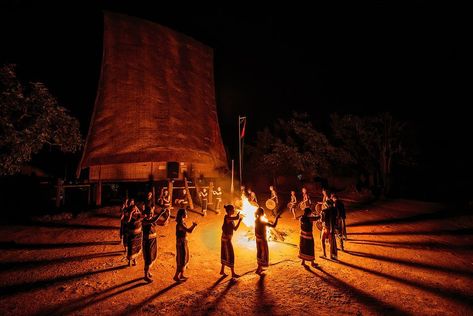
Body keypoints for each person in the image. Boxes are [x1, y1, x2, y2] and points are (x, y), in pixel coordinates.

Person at [142, 206, 170, 282]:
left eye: (151, 213)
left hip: (153, 240)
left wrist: (168, 215)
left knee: (151, 256)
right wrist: (161, 213)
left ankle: (148, 272)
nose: (151, 214)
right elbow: (154, 220)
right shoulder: (144, 221)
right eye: (149, 213)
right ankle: (145, 276)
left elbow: (163, 223)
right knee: (148, 258)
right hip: (147, 242)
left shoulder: (152, 220)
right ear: (146, 213)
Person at [173, 209, 198, 282]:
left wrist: (193, 226)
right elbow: (189, 231)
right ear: (182, 215)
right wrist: (194, 225)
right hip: (181, 244)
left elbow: (187, 230)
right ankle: (176, 276)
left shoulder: (182, 222)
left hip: (183, 242)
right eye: (185, 213)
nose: (187, 214)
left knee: (185, 258)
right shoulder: (180, 224)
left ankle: (181, 275)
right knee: (181, 259)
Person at [254, 207, 280, 275]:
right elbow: (274, 225)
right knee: (263, 253)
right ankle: (259, 269)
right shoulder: (263, 222)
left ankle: (259, 267)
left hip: (257, 239)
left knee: (259, 252)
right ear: (262, 213)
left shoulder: (256, 220)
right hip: (262, 240)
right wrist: (276, 218)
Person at [220, 205, 243, 278]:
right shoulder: (227, 217)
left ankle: (222, 271)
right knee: (230, 254)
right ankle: (233, 273)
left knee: (224, 253)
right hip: (226, 239)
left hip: (226, 239)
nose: (234, 210)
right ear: (229, 211)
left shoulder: (231, 219)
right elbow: (236, 217)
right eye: (233, 209)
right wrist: (238, 216)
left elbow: (235, 229)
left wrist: (239, 221)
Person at [126, 202, 143, 267]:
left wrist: (137, 209)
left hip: (138, 235)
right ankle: (129, 261)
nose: (135, 210)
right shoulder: (128, 215)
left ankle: (135, 260)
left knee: (136, 248)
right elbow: (128, 221)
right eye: (134, 209)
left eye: (135, 209)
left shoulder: (138, 215)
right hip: (132, 235)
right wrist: (131, 213)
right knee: (131, 248)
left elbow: (142, 214)